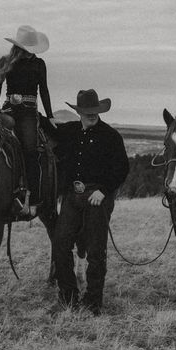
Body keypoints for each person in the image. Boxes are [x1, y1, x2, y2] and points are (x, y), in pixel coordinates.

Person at [52, 89, 129, 315]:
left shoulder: (111, 136)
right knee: (60, 243)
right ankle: (68, 296)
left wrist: (104, 190)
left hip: (97, 196)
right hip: (72, 195)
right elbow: (47, 128)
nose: (91, 115)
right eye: (86, 112)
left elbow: (122, 168)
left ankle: (93, 301)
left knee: (96, 250)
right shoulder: (70, 131)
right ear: (79, 113)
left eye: (94, 111)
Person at [0, 25, 57, 217]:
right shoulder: (6, 61)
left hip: (27, 111)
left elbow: (43, 90)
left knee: (29, 149)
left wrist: (50, 115)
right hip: (8, 108)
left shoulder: (39, 64)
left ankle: (33, 198)